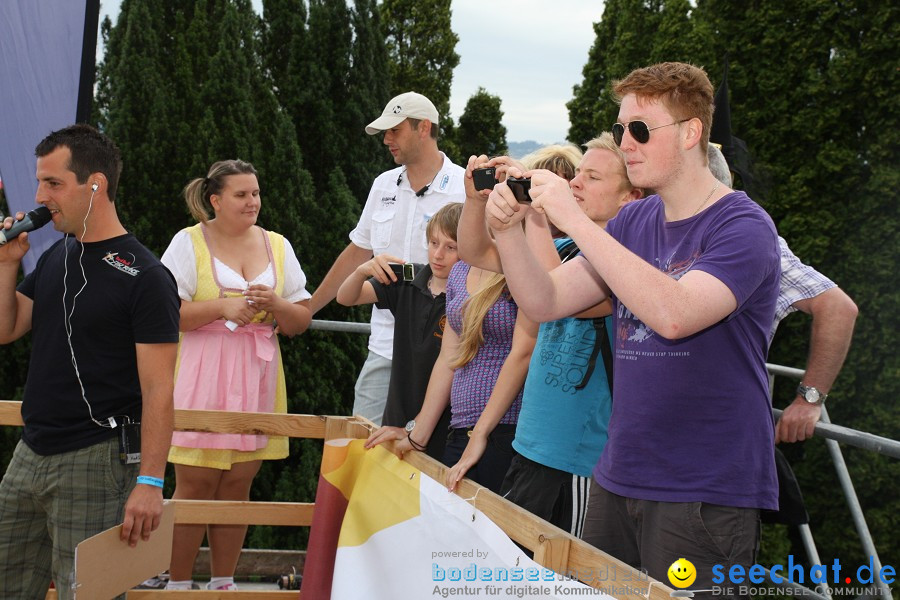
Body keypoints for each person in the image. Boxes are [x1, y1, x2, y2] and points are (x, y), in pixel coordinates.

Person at [484, 62, 780, 593]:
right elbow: (546, 300)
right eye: (621, 129)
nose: (626, 143)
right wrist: (507, 231)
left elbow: (674, 315)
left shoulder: (744, 226)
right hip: (618, 476)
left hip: (703, 490)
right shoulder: (633, 222)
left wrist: (573, 220)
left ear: (691, 133)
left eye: (640, 130)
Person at [0, 124, 180, 600]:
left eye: (53, 184)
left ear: (95, 184)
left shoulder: (146, 276)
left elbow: (159, 389)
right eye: (39, 183)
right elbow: (7, 328)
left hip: (97, 460)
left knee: (89, 596)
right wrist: (6, 265)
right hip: (30, 451)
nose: (40, 197)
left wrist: (149, 482)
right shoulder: (57, 254)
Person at [458, 135, 642, 536]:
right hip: (530, 445)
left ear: (630, 198)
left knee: (563, 580)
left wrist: (533, 215)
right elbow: (474, 252)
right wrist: (476, 200)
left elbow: (554, 292)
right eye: (577, 174)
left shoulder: (629, 266)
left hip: (578, 461)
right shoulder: (568, 247)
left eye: (591, 177)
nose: (574, 184)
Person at [160, 160, 312, 591]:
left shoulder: (277, 245)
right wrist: (220, 307)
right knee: (195, 483)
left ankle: (224, 582)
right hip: (202, 373)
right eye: (242, 194)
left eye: (256, 193)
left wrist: (278, 306)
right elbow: (166, 313)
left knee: (238, 483)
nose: (253, 202)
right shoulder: (187, 242)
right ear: (215, 200)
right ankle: (178, 583)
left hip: (258, 373)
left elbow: (301, 319)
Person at [309, 92, 465, 426]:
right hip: (384, 347)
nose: (386, 139)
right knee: (363, 451)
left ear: (423, 128)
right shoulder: (382, 185)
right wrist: (308, 309)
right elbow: (358, 252)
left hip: (446, 350)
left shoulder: (465, 190)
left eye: (394, 130)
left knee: (430, 461)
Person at [707, 144, 858, 443]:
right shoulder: (652, 234)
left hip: (722, 434)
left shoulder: (753, 239)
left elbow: (838, 307)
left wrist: (809, 399)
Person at [366, 258, 538, 495]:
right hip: (460, 428)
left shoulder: (523, 269)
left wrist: (481, 433)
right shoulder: (460, 271)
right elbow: (448, 358)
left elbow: (523, 353)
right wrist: (417, 433)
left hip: (506, 430)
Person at [337, 202, 463, 460]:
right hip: (396, 414)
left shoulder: (470, 295)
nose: (438, 254)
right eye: (434, 243)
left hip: (444, 426)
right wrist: (363, 271)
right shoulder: (408, 277)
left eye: (451, 247)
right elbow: (346, 298)